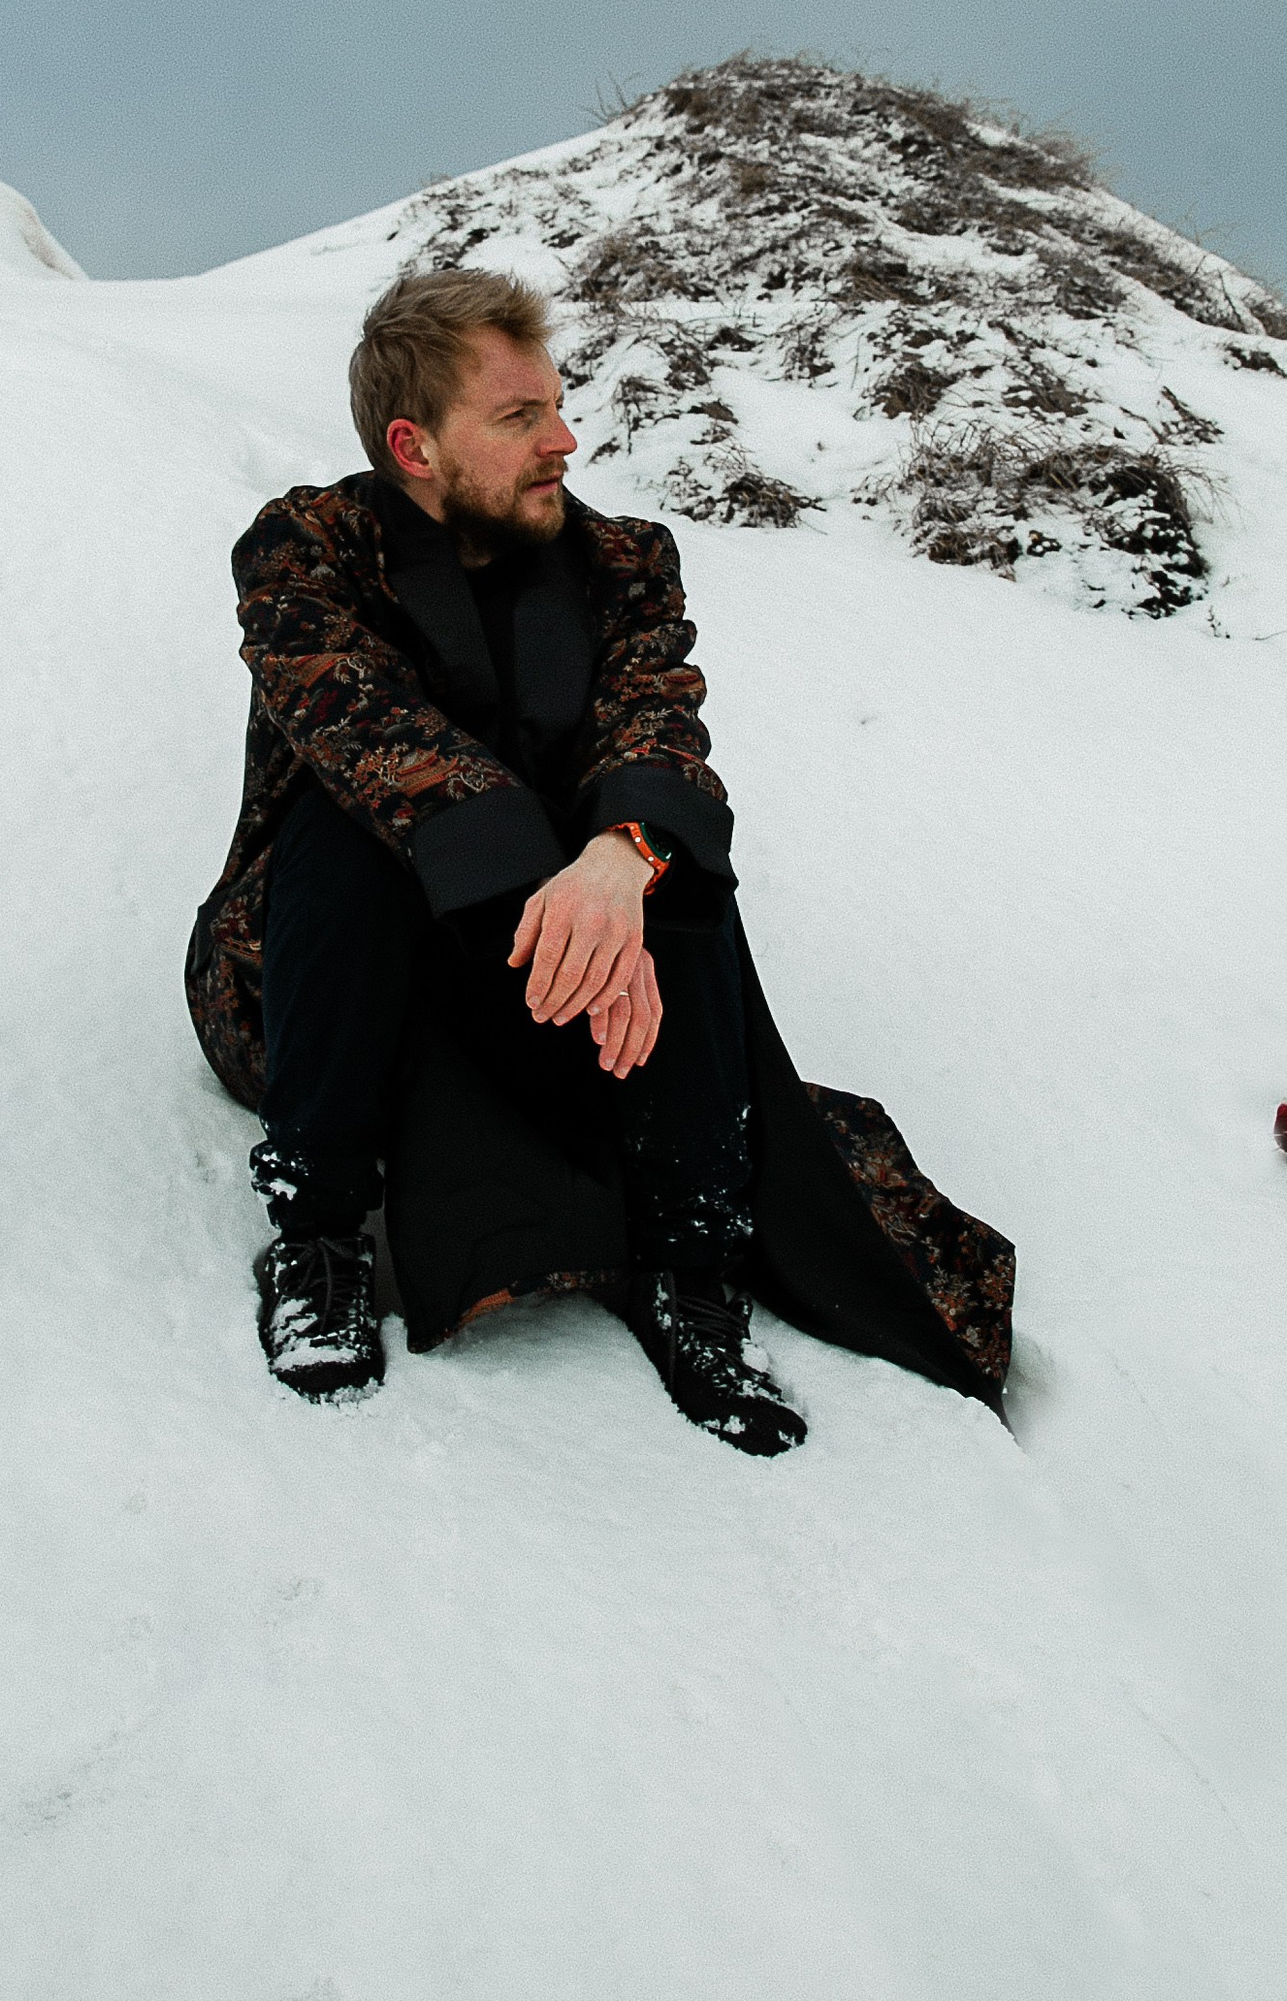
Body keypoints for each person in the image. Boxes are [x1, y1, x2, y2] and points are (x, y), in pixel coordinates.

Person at [185, 270, 1017, 1451]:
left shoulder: (625, 561)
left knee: (669, 847)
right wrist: (559, 884)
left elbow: (655, 722)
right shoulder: (305, 549)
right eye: (519, 417)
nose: (563, 441)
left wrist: (621, 859)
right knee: (345, 822)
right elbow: (368, 731)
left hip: (555, 971)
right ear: (413, 445)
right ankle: (314, 1229)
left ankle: (692, 1257)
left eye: (558, 408)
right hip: (329, 976)